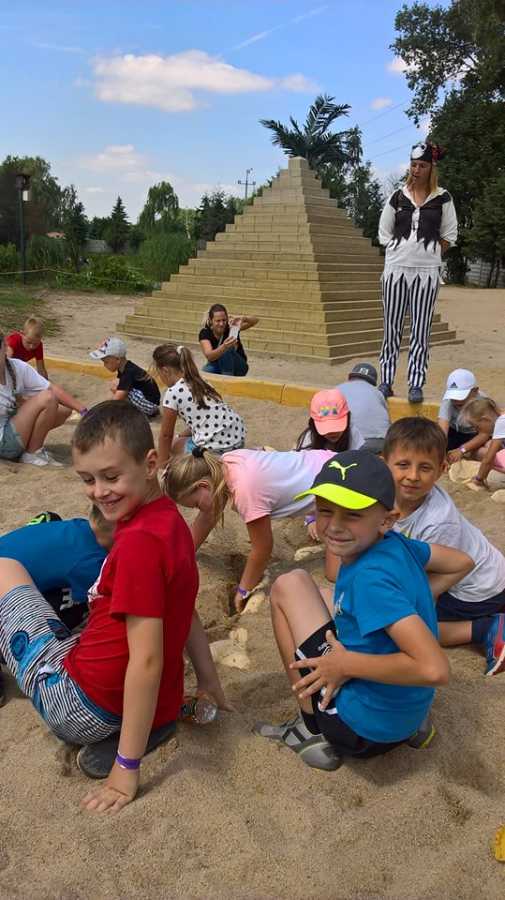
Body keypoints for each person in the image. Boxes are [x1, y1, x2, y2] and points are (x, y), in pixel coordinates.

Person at [0, 400, 200, 812]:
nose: (98, 492)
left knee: (4, 568)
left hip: (78, 706)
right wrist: (210, 683)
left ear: (150, 464)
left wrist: (127, 768)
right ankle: (145, 726)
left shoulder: (137, 543)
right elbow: (186, 610)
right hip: (145, 700)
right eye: (87, 479)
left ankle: (126, 742)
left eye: (111, 476)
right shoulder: (169, 520)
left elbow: (146, 661)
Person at [253, 450, 472, 770]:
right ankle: (412, 725)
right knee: (325, 596)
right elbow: (462, 562)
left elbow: (435, 669)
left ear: (386, 520)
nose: (334, 526)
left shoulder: (370, 581)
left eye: (352, 515)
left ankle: (310, 728)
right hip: (407, 716)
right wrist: (420, 597)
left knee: (289, 585)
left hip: (360, 729)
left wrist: (346, 664)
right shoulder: (400, 544)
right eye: (325, 511)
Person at [384, 417, 505, 676]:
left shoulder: (437, 521)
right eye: (403, 464)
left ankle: (489, 628)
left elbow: (434, 582)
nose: (412, 476)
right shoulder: (386, 495)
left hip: (477, 587)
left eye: (425, 468)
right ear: (385, 463)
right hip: (476, 571)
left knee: (410, 627)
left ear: (441, 469)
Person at [163, 446, 337, 612]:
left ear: (203, 486)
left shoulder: (245, 491)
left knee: (333, 574)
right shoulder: (226, 463)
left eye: (196, 504)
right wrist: (184, 553)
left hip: (337, 487)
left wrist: (243, 590)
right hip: (326, 461)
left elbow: (262, 548)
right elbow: (207, 517)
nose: (198, 509)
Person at [0, 506, 114, 706]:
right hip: (6, 593)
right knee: (81, 605)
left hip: (9, 561)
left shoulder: (80, 526)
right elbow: (103, 612)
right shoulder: (91, 562)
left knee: (52, 525)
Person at [377, 141, 458, 404]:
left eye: (422, 165)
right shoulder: (397, 196)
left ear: (431, 168)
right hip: (395, 270)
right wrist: (397, 250)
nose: (416, 170)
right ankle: (386, 380)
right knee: (391, 328)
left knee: (421, 330)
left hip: (426, 273)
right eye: (413, 165)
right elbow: (384, 232)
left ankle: (415, 383)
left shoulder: (443, 198)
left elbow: (449, 234)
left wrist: (431, 254)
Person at [152, 343, 246, 464]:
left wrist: (161, 464)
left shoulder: (173, 393)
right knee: (180, 439)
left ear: (165, 371)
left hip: (215, 450)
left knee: (173, 446)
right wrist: (181, 436)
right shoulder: (202, 382)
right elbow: (203, 419)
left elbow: (166, 436)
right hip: (237, 441)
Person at [0, 330, 71, 467]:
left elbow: (50, 387)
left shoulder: (16, 367)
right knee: (48, 399)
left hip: (10, 427)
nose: (32, 347)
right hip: (4, 442)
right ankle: (32, 453)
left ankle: (30, 449)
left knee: (63, 409)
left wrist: (83, 410)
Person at [7, 317, 87, 416]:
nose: (31, 347)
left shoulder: (38, 346)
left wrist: (45, 386)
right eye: (28, 342)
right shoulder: (13, 341)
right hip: (11, 371)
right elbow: (5, 362)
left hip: (20, 370)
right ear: (22, 334)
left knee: (45, 391)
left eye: (35, 344)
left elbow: (41, 369)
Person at [90, 336, 160, 417]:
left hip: (151, 405)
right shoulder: (125, 367)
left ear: (117, 360)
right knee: (117, 385)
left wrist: (104, 411)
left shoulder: (128, 372)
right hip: (149, 401)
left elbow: (117, 398)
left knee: (117, 387)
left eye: (106, 362)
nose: (105, 365)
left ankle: (137, 413)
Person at [336, 363, 391, 454]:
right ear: (372, 382)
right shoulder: (378, 393)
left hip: (351, 443)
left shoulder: (338, 389)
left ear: (351, 378)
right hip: (380, 442)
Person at [295, 389, 364, 453]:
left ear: (348, 419)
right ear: (314, 424)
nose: (332, 432)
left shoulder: (353, 434)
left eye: (337, 426)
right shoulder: (308, 440)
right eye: (326, 427)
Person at [198, 304, 258, 377]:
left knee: (227, 351)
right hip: (218, 364)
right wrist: (224, 346)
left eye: (224, 320)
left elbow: (255, 321)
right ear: (211, 321)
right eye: (218, 321)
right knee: (206, 371)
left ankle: (227, 378)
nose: (221, 324)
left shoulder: (232, 327)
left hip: (238, 367)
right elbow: (209, 356)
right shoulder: (205, 332)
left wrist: (244, 318)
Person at [438, 368, 484, 460]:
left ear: (475, 391)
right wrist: (441, 454)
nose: (456, 400)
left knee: (487, 451)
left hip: (475, 435)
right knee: (430, 444)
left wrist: (462, 450)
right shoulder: (448, 401)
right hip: (454, 432)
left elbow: (484, 434)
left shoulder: (484, 402)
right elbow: (442, 432)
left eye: (461, 396)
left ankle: (467, 453)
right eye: (453, 396)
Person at [462, 398, 505, 486]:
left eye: (477, 426)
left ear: (485, 419)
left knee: (485, 455)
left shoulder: (501, 422)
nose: (477, 430)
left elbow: (488, 458)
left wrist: (479, 479)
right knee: (489, 444)